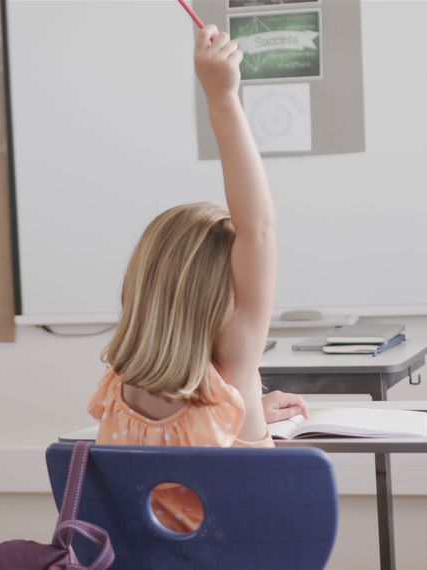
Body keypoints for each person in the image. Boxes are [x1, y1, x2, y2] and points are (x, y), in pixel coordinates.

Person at [86, 25, 308, 531]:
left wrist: (250, 412)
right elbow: (260, 228)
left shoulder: (116, 390)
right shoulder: (233, 377)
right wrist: (221, 97)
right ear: (223, 293)